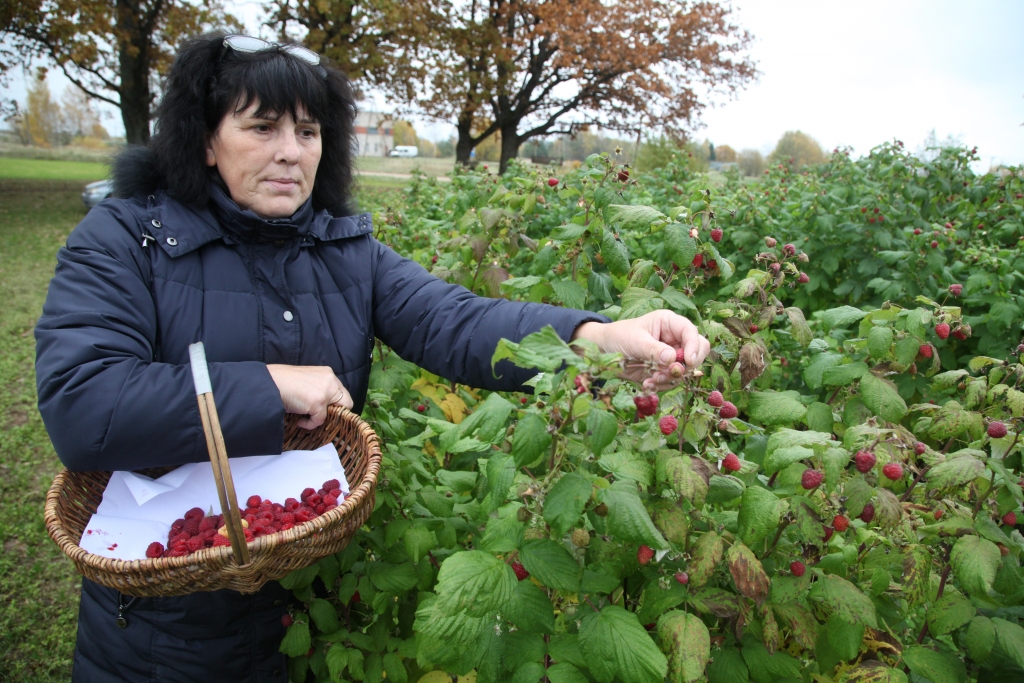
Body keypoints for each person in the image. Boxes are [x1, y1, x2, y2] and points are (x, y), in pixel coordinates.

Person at [34, 33, 711, 682]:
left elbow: (458, 320)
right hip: (164, 637)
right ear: (207, 139)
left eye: (308, 131)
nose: (291, 153)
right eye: (262, 127)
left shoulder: (342, 250)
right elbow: (83, 402)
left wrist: (597, 339)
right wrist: (270, 386)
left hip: (318, 612)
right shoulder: (128, 241)